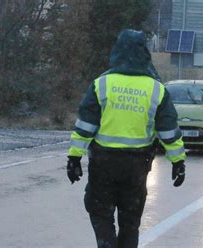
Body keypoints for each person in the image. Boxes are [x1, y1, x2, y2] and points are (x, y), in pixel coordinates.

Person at [66, 29, 186, 248]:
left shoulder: (101, 84)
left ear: (117, 52)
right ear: (144, 54)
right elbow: (168, 131)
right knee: (130, 222)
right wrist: (178, 162)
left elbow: (85, 127)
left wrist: (74, 158)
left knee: (100, 213)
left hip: (103, 163)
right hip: (137, 166)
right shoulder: (156, 89)